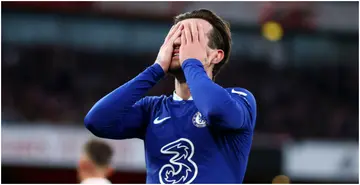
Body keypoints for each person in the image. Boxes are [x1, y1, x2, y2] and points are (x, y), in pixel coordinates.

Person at [85, 9, 257, 184]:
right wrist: (155, 69)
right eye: (176, 35)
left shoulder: (239, 99)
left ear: (216, 55)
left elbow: (215, 110)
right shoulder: (152, 109)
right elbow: (97, 121)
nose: (179, 42)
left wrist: (191, 62)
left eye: (192, 37)